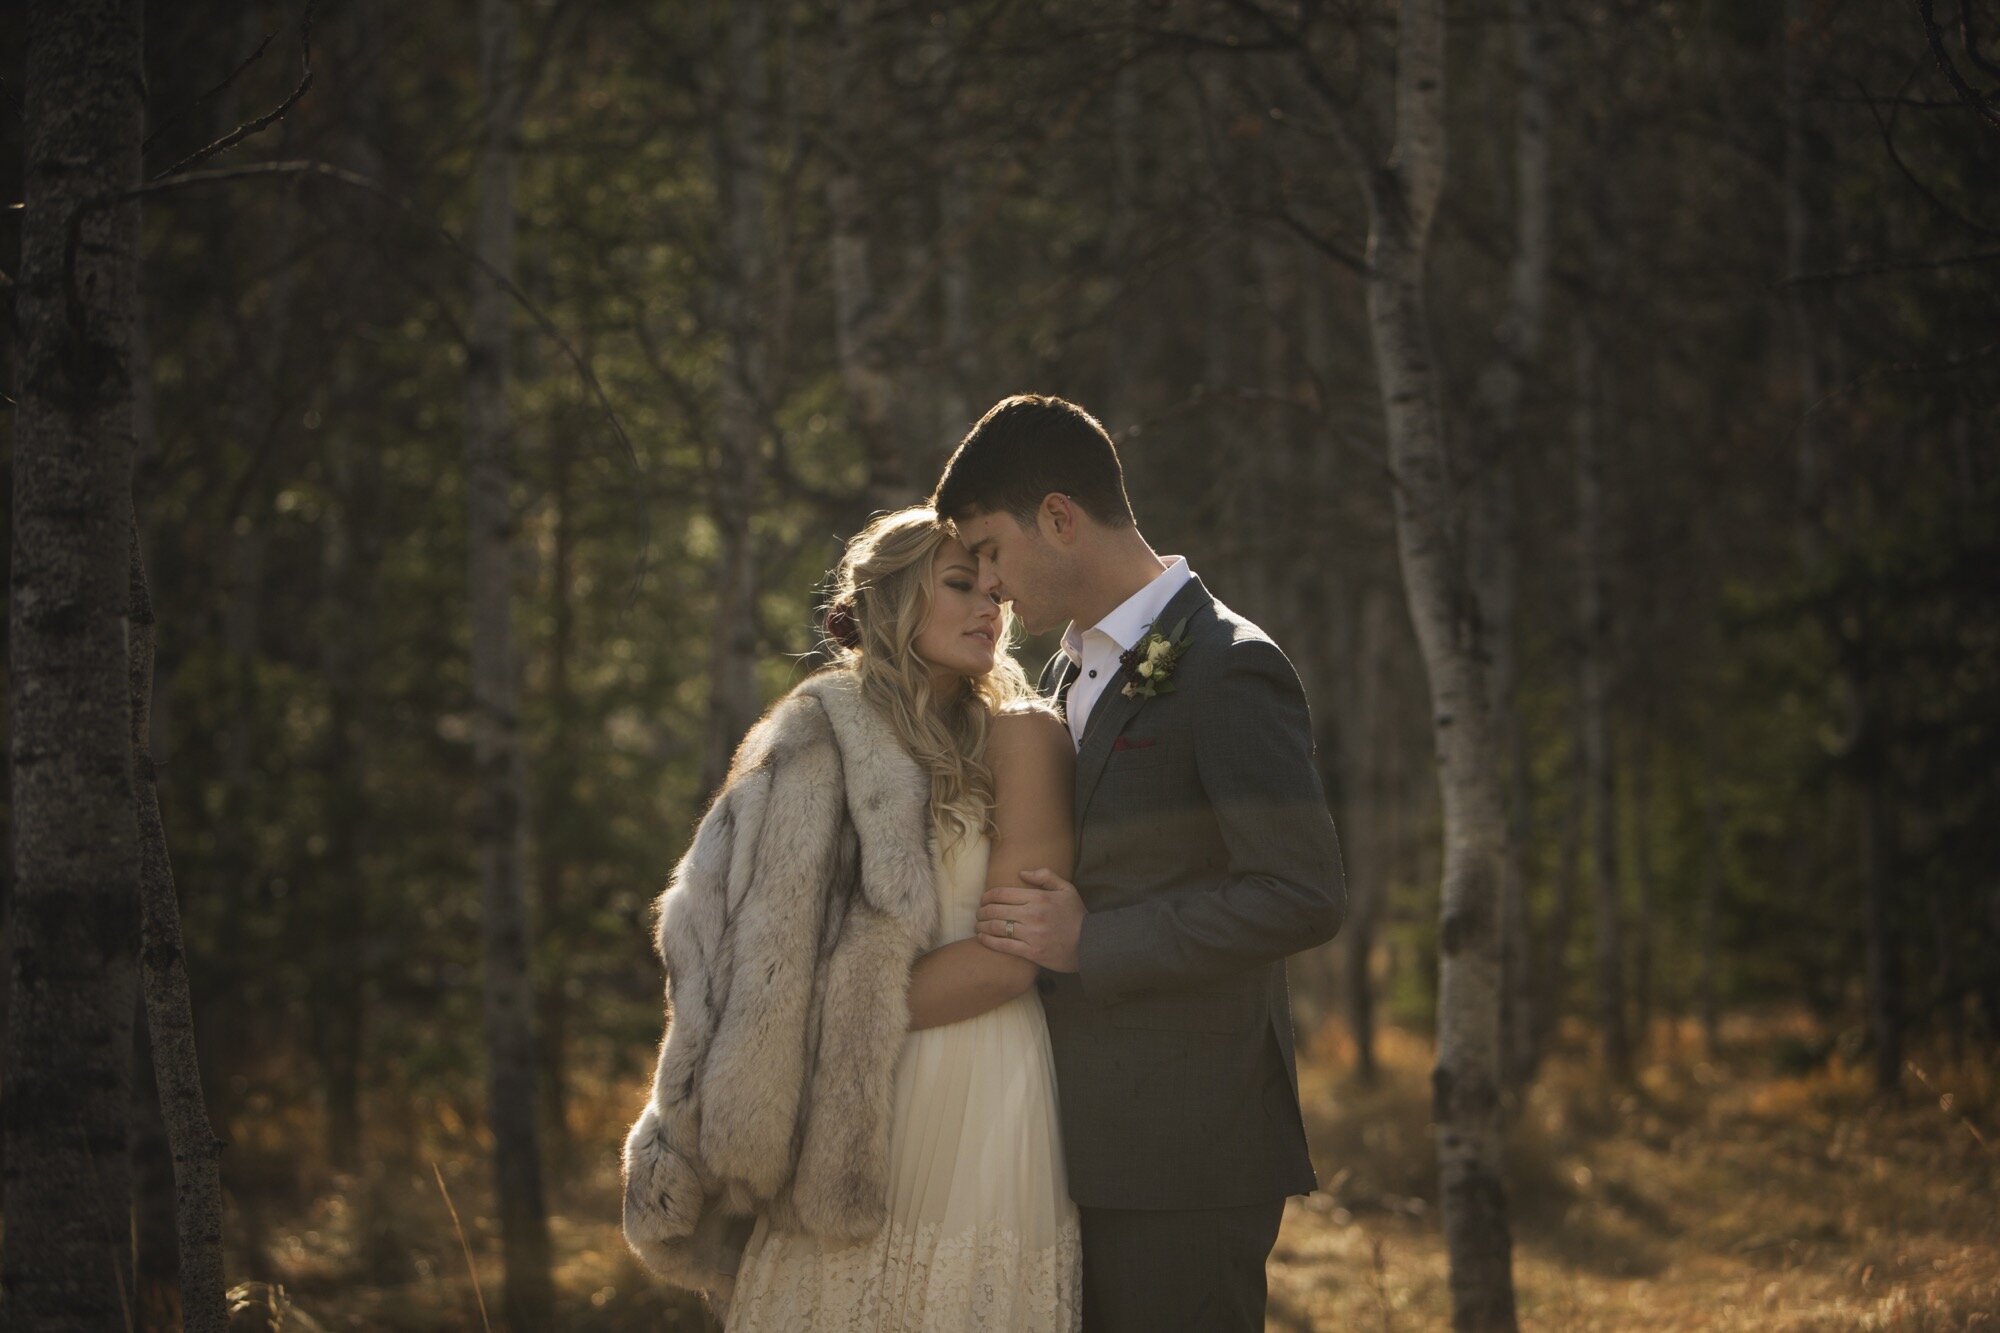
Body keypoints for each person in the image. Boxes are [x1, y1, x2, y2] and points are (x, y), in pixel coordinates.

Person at [931, 394, 1347, 1333]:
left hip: (1187, 1154)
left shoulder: (1228, 666)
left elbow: (1302, 893)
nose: (988, 583)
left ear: (1059, 518)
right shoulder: (1063, 674)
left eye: (992, 550)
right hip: (1072, 1145)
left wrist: (1094, 940)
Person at [621, 505, 1083, 1331]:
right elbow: (722, 943)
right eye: (959, 583)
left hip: (981, 1079)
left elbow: (1010, 959)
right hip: (841, 1103)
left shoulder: (1023, 740)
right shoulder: (810, 737)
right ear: (892, 598)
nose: (990, 604)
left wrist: (820, 1012)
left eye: (995, 587)